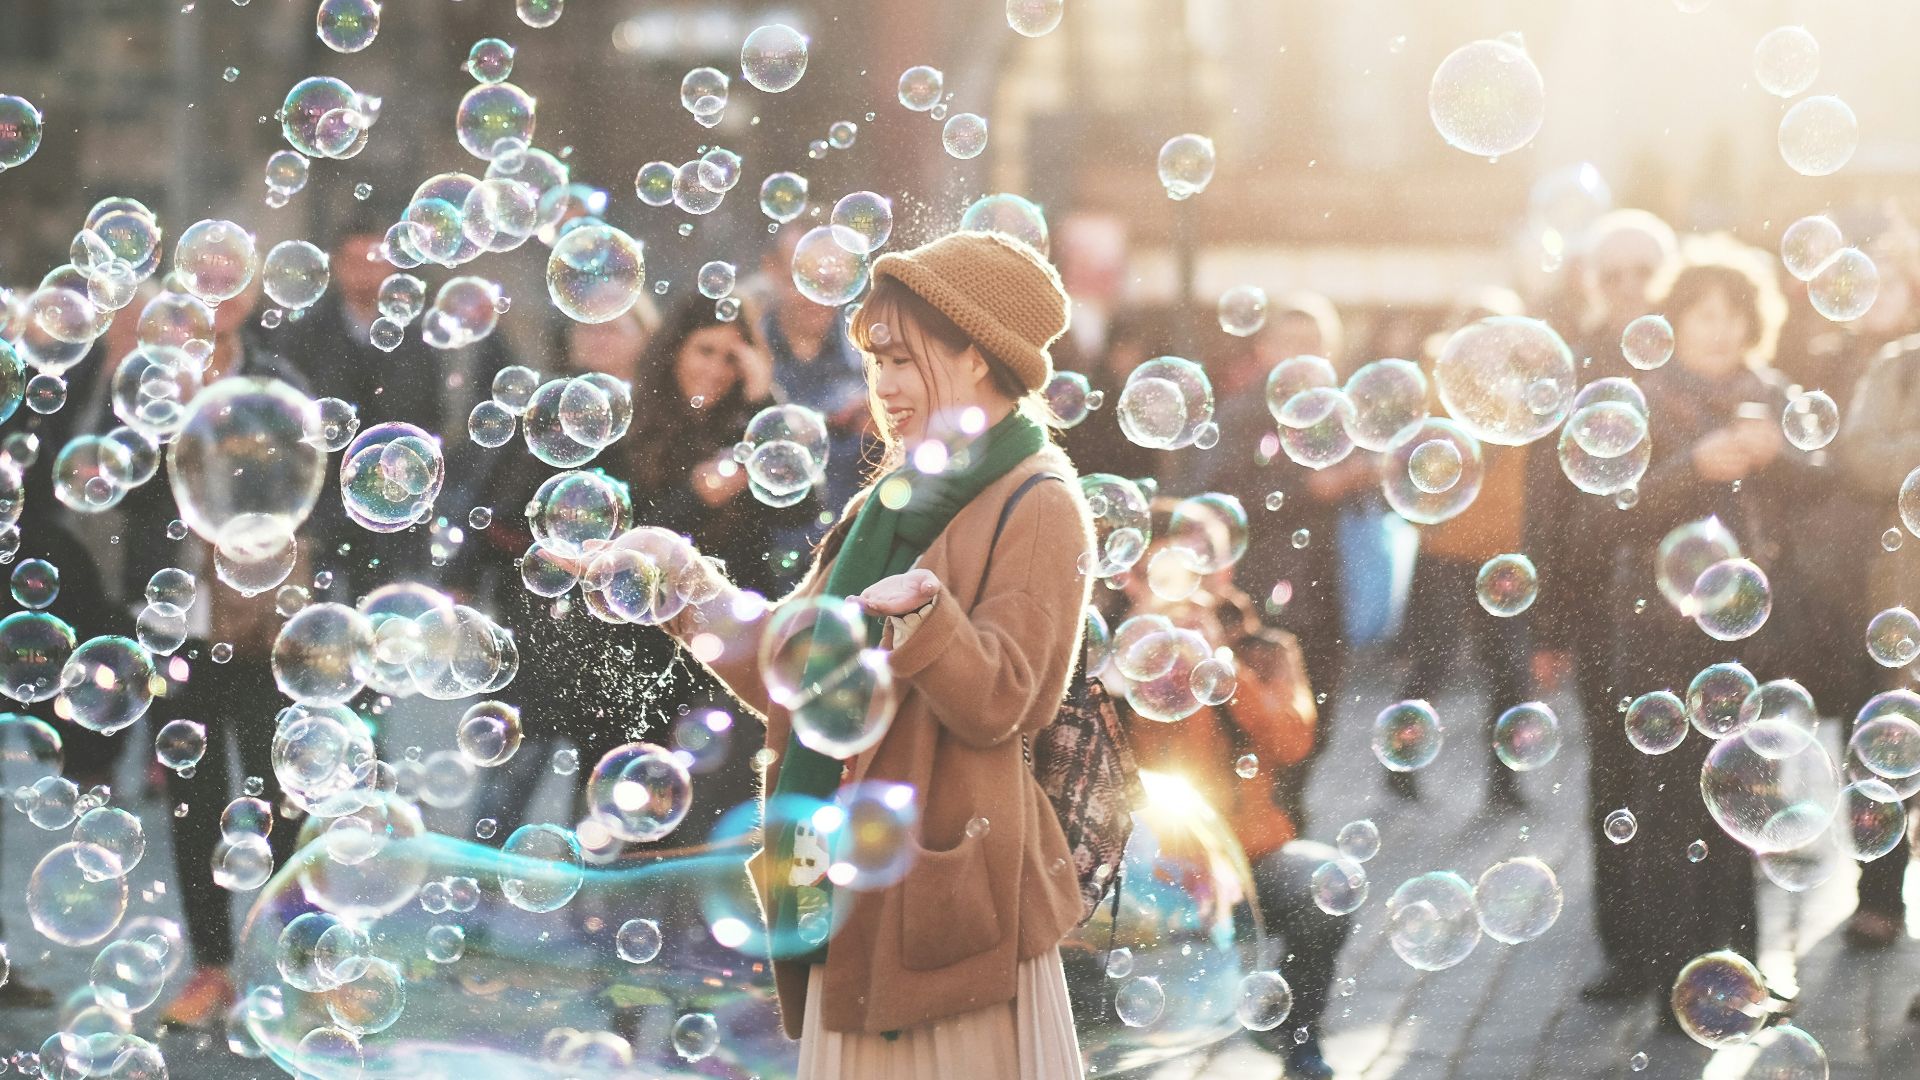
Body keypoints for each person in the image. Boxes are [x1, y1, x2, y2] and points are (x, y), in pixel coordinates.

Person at [665, 231, 1092, 1077]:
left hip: (947, 911)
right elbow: (796, 671)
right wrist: (686, 589)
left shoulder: (1039, 498)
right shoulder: (891, 498)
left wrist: (925, 617)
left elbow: (1008, 699)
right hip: (843, 879)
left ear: (975, 356)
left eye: (901, 359)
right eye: (873, 361)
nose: (881, 386)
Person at [1607, 237, 1808, 1023]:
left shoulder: (1775, 395)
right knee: (1668, 808)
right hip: (1662, 632)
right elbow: (1612, 509)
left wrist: (1777, 456)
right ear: (1677, 320)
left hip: (1752, 636)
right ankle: (1676, 985)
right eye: (1704, 314)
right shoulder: (1645, 397)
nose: (1720, 331)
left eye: (1734, 315)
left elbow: (1827, 493)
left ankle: (1743, 973)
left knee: (1746, 800)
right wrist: (1696, 464)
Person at [1111, 510, 1348, 1080]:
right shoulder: (1103, 657)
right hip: (1142, 866)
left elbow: (1294, 742)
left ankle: (1292, 1033)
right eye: (1160, 575)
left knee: (1328, 884)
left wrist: (1219, 665)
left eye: (1195, 571)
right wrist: (1139, 662)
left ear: (1224, 574)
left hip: (1249, 856)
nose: (1182, 590)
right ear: (1132, 581)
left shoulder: (1265, 648)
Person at [141, 281, 320, 1027]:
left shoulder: (281, 383)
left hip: (264, 623)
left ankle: (294, 971)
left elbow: (314, 489)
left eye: (236, 280)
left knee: (283, 795)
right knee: (196, 804)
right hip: (177, 620)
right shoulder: (148, 384)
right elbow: (109, 487)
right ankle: (212, 968)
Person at [1526, 209, 1680, 998]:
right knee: (1616, 779)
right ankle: (1626, 948)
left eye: (1641, 272)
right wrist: (1547, 626)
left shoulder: (1695, 359)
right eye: (1611, 273)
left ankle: (1692, 939)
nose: (1626, 288)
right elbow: (1545, 508)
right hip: (1600, 609)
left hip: (1693, 602)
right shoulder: (1576, 368)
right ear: (1592, 283)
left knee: (1690, 776)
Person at [758, 226, 873, 524]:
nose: (817, 297)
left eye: (831, 283)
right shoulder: (742, 354)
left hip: (852, 541)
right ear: (771, 268)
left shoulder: (875, 360)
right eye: (802, 280)